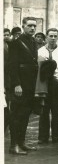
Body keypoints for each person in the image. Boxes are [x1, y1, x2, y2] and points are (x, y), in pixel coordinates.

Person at [9, 17, 39, 155]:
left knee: (25, 115)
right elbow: (12, 65)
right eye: (29, 26)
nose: (32, 28)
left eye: (34, 26)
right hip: (20, 85)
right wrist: (16, 84)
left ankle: (22, 142)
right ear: (23, 26)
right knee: (16, 115)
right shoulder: (16, 43)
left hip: (30, 84)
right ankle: (13, 145)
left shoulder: (33, 41)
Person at [38, 28, 58, 144]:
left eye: (55, 36)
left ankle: (57, 136)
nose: (52, 38)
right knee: (44, 111)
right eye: (50, 36)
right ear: (46, 37)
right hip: (44, 83)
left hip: (57, 83)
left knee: (56, 111)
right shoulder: (40, 51)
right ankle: (43, 137)